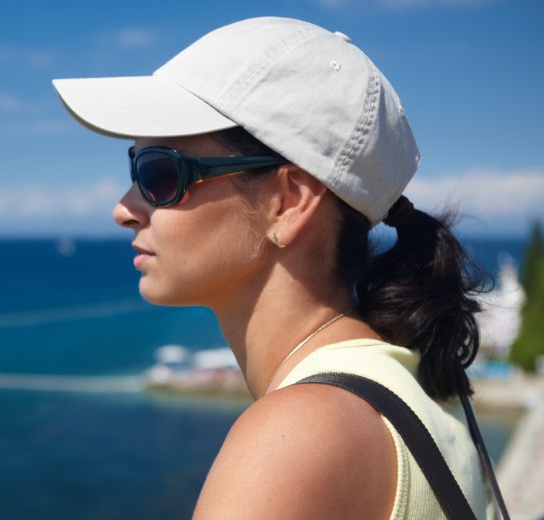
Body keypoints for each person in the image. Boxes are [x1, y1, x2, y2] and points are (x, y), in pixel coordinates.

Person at [54, 17, 495, 519]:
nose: (123, 208)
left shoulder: (297, 435)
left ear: (287, 202)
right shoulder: (407, 382)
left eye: (159, 173)